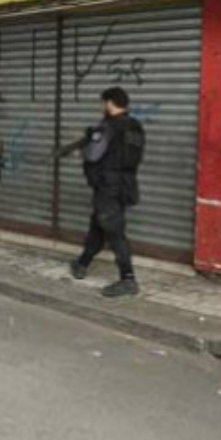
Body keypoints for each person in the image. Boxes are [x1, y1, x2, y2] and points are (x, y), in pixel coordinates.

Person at [70, 86, 146, 298]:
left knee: (114, 231)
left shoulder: (108, 127)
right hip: (125, 184)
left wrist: (81, 151)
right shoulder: (135, 126)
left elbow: (94, 155)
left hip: (108, 186)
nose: (102, 107)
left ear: (109, 102)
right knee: (99, 224)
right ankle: (82, 262)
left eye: (103, 103)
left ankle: (128, 278)